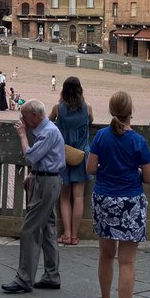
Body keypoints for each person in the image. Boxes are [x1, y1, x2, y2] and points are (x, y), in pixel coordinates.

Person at [88, 92, 150, 298]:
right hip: (130, 202)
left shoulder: (101, 137)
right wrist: (133, 172)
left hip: (104, 198)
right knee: (127, 261)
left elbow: (90, 168)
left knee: (106, 255)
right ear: (130, 111)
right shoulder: (138, 141)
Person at [1, 100, 64, 294]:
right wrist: (33, 174)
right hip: (47, 180)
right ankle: (52, 275)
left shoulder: (48, 132)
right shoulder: (49, 130)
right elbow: (46, 160)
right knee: (48, 229)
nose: (22, 119)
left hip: (46, 184)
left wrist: (22, 135)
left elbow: (31, 156)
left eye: (24, 115)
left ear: (35, 116)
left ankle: (24, 278)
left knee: (29, 230)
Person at [52, 76, 93, 246]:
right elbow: (90, 122)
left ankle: (66, 234)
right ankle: (75, 236)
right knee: (78, 197)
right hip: (81, 155)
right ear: (79, 90)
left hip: (63, 155)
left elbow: (47, 123)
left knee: (64, 197)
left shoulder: (58, 108)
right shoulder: (87, 108)